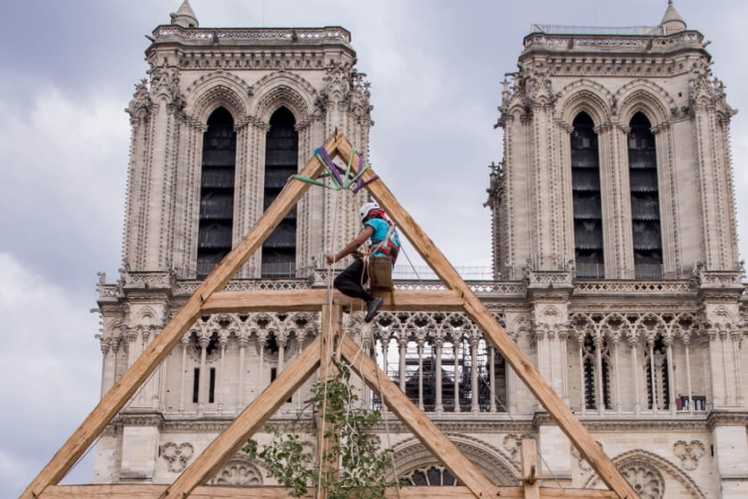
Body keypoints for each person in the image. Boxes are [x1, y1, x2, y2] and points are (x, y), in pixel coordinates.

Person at [326, 201, 400, 322]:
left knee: (340, 281)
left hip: (375, 261)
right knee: (355, 284)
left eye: (366, 222)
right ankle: (356, 301)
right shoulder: (391, 229)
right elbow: (383, 247)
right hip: (386, 264)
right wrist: (360, 254)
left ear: (370, 216)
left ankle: (371, 300)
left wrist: (336, 257)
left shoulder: (375, 222)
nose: (366, 225)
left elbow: (357, 242)